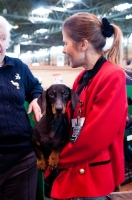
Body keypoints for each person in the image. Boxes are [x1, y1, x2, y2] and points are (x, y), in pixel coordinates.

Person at [50, 12, 128, 200]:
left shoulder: (113, 75)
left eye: (65, 43)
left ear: (83, 44)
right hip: (76, 170)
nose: (63, 49)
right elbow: (69, 119)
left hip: (92, 177)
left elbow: (95, 136)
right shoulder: (82, 77)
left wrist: (57, 159)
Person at [0, 16, 43, 200]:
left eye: (2, 38)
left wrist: (35, 99)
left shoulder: (18, 67)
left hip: (22, 159)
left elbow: (35, 87)